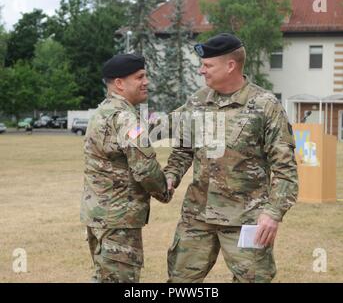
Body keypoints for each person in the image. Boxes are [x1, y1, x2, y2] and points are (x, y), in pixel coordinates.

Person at [164, 33, 298, 283]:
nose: (201, 70)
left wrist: (273, 212)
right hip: (198, 215)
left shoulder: (265, 105)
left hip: (245, 218)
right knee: (180, 281)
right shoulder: (197, 102)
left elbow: (285, 168)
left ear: (230, 66)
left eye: (207, 65)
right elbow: (183, 148)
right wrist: (171, 175)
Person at [80, 53, 172, 283]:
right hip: (119, 220)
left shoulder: (103, 112)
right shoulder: (126, 118)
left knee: (105, 277)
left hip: (100, 216)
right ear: (120, 83)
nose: (146, 81)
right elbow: (145, 168)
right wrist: (165, 190)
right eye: (139, 77)